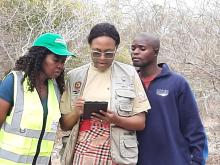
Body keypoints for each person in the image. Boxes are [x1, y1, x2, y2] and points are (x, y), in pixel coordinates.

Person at [59, 23, 151, 165]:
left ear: (116, 49)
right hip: (81, 154)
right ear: (89, 47)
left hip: (117, 155)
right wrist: (77, 112)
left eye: (109, 53)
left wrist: (116, 119)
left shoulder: (129, 74)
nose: (102, 58)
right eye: (96, 52)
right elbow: (64, 125)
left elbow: (141, 122)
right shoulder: (74, 76)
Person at [131, 32, 208, 165]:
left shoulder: (177, 83)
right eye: (133, 48)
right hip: (136, 159)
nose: (136, 52)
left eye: (142, 48)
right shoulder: (128, 82)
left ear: (155, 52)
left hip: (173, 159)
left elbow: (193, 126)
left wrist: (197, 160)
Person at [0, 32, 75, 165]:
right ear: (39, 57)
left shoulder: (56, 89)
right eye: (56, 60)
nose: (60, 66)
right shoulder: (14, 82)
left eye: (63, 61)